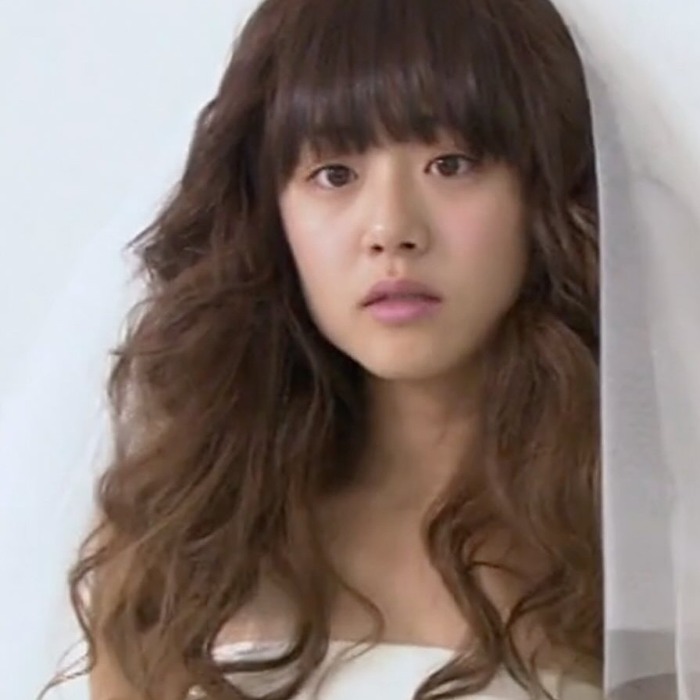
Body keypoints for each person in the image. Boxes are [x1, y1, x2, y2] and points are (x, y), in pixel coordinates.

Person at [30, 0, 691, 698]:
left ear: (548, 195)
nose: (391, 228)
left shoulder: (643, 548)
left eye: (452, 164)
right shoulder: (182, 530)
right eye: (335, 174)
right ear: (270, 211)